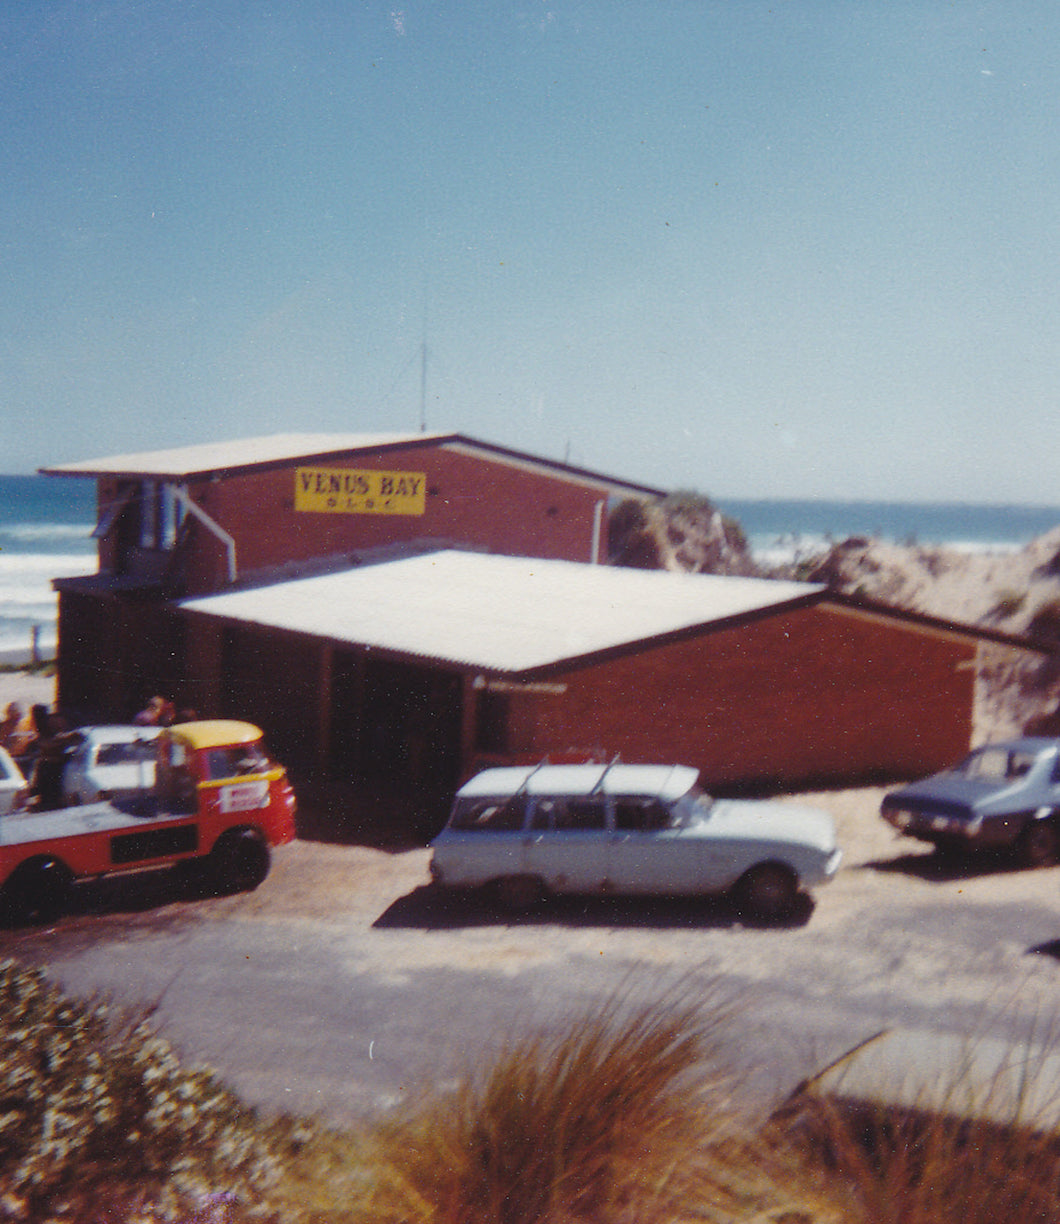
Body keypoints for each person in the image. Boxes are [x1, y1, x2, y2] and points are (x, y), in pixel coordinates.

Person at [27, 707, 80, 812]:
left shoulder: (50, 728)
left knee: (51, 794)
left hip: (52, 766)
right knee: (49, 794)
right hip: (50, 766)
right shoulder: (47, 734)